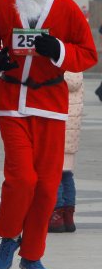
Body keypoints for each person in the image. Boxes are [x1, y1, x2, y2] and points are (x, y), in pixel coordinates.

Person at [0, 0, 97, 269]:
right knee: (22, 177)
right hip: (12, 103)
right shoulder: (3, 6)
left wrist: (58, 49)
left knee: (46, 185)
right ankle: (9, 236)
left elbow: (88, 52)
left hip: (50, 105)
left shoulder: (67, 8)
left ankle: (32, 254)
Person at [48, 71, 83, 233]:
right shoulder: (77, 62)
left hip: (61, 126)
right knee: (66, 175)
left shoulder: (67, 67)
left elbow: (69, 81)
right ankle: (68, 215)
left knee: (55, 174)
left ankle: (57, 212)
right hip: (71, 131)